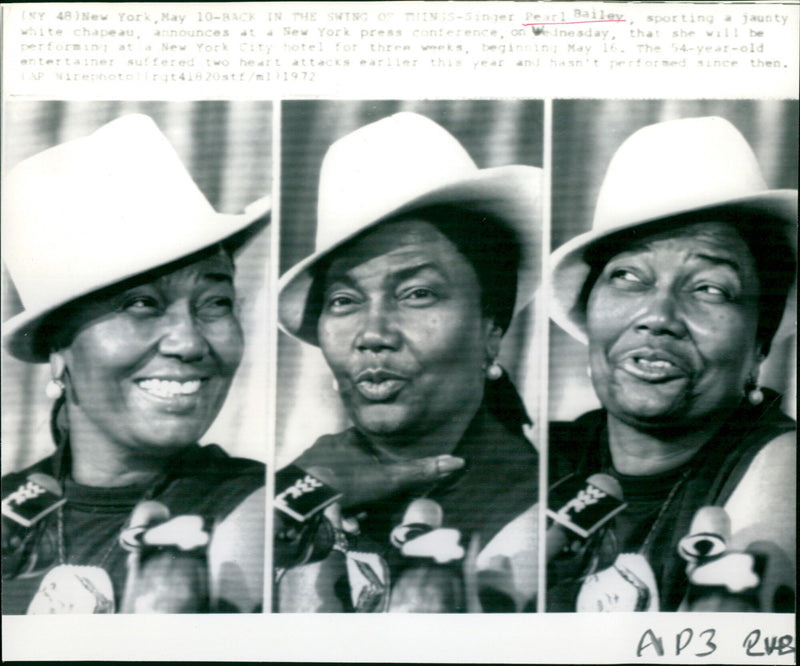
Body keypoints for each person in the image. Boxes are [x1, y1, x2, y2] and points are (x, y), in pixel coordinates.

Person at [1, 114, 270, 614]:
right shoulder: (12, 507)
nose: (189, 342)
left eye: (215, 302)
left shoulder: (255, 509)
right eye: (140, 303)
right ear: (59, 352)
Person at [275, 112, 542, 611]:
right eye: (344, 301)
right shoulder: (300, 480)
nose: (372, 334)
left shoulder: (538, 511)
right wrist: (295, 494)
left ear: (491, 330)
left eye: (417, 294)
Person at [546, 116, 796, 611]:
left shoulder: (783, 466)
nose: (658, 317)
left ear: (759, 344)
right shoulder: (552, 452)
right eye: (629, 277)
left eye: (709, 288)